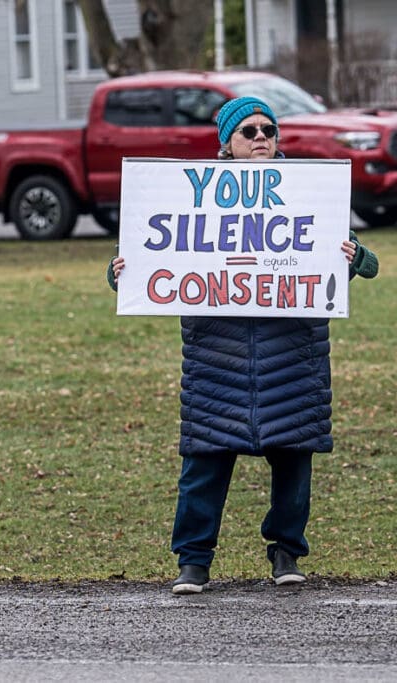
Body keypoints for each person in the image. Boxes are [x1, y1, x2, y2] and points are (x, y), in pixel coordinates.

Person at [108, 96, 379, 594]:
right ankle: (193, 561)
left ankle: (286, 551)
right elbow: (150, 261)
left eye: (268, 131)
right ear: (227, 145)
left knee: (294, 463)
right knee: (204, 465)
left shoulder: (308, 195)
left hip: (293, 362)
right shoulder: (191, 197)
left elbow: (369, 265)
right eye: (249, 131)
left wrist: (355, 255)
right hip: (218, 359)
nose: (260, 138)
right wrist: (121, 272)